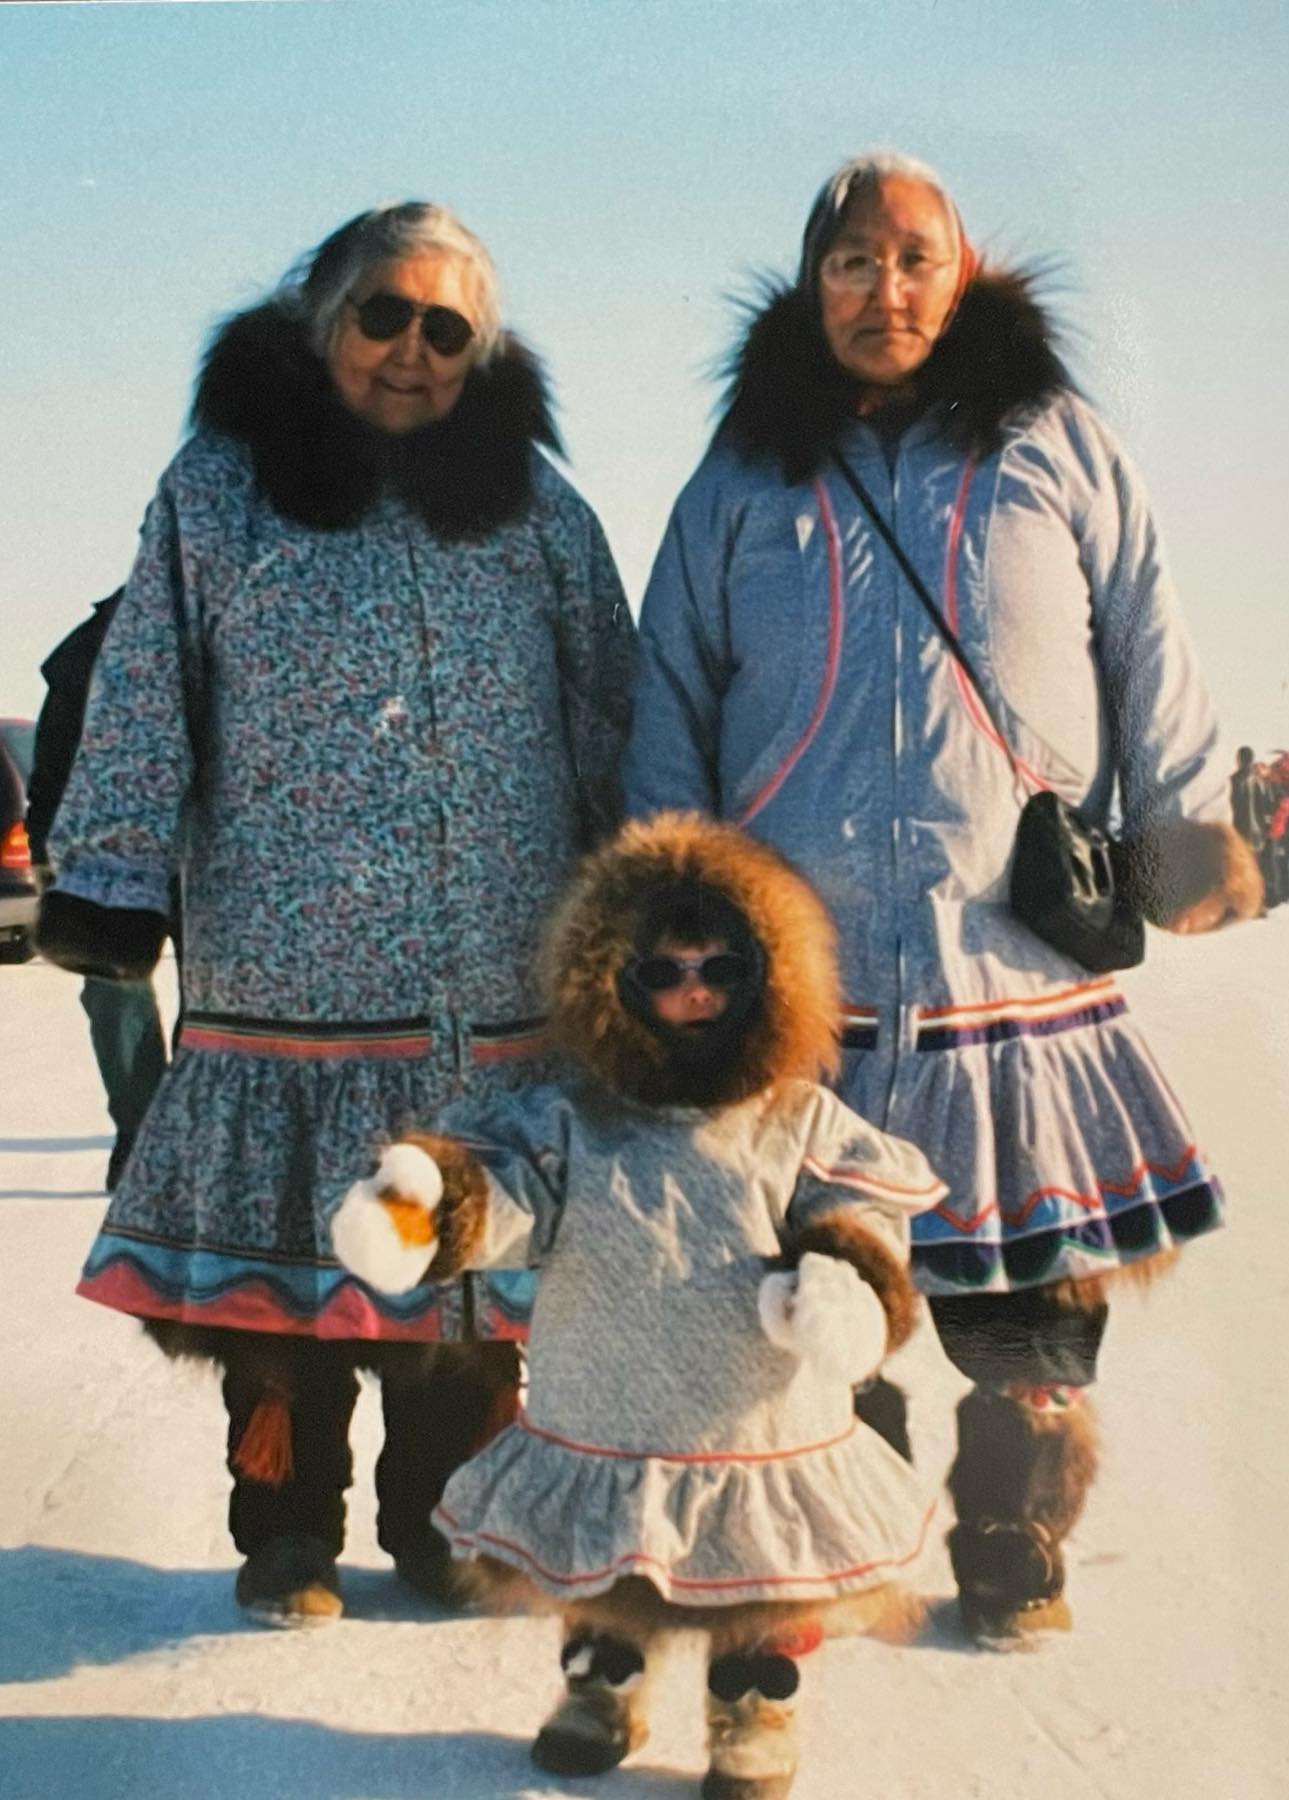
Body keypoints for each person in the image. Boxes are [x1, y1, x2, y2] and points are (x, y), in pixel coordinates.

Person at [624, 151, 1261, 1641]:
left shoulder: (1054, 439)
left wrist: (1182, 823)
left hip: (1008, 956)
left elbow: (1144, 633)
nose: (884, 288)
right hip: (802, 971)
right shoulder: (739, 472)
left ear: (959, 275)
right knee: (797, 1292)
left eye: (914, 259)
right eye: (853, 261)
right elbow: (670, 681)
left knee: (1029, 1296)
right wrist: (667, 884)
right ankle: (844, 1505)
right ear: (812, 283)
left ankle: (1012, 1524)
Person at [39, 201, 636, 1625]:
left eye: (449, 328)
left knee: (460, 1284)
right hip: (283, 976)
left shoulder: (539, 510)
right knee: (289, 1286)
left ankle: (444, 1526)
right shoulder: (218, 489)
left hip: (494, 980)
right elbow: (142, 692)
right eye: (385, 314)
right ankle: (288, 1533)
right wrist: (111, 874)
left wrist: (643, 896)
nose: (413, 351)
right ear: (322, 317)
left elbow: (611, 703)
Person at [330, 812, 939, 1798]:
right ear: (608, 981)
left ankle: (755, 1705)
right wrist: (429, 1216)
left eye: (718, 969)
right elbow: (509, 1194)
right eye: (659, 971)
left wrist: (849, 1282)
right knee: (606, 1575)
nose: (691, 989)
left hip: (759, 1417)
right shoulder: (571, 1118)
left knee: (762, 1578)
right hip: (606, 1408)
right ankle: (603, 1687)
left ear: (765, 978)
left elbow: (859, 1205)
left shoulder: (798, 1117)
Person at [27, 588, 169, 1192]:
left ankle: (179, 1136)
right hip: (117, 842)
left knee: (224, 1003)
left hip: (214, 840)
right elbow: (58, 750)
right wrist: (46, 843)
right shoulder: (94, 644)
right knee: (116, 992)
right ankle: (147, 1139)